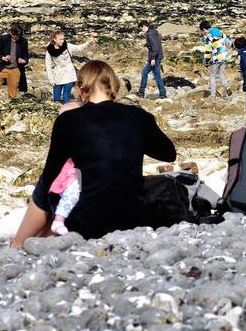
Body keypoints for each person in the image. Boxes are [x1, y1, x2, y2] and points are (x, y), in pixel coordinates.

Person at [10, 60, 176, 246]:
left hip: (85, 225)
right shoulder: (139, 116)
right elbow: (169, 154)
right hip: (134, 222)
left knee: (48, 183)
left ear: (81, 88)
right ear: (115, 86)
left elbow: (51, 174)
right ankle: (45, 239)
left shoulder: (69, 120)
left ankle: (18, 244)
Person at [43, 29, 93, 104]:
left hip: (69, 75)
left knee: (66, 97)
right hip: (57, 76)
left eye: (63, 39)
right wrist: (51, 79)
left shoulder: (67, 46)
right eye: (60, 39)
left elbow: (79, 48)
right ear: (54, 39)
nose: (62, 41)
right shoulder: (49, 50)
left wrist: (88, 43)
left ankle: (67, 112)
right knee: (56, 98)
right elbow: (48, 65)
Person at [0, 23, 29, 100]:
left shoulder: (23, 42)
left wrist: (23, 61)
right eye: (14, 36)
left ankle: (10, 106)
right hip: (3, 68)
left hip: (15, 69)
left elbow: (26, 57)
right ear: (11, 33)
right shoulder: (4, 39)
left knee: (12, 92)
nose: (16, 38)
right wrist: (3, 58)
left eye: (18, 36)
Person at [199, 21, 232, 97]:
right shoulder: (220, 33)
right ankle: (227, 87)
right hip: (223, 57)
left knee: (212, 76)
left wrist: (206, 62)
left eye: (202, 31)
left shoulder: (208, 37)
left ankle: (213, 95)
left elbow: (207, 51)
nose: (202, 33)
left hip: (215, 59)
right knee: (222, 73)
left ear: (204, 29)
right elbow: (229, 42)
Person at [137, 20, 166, 99]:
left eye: (141, 29)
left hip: (155, 58)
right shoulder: (152, 32)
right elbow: (154, 44)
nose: (141, 31)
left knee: (156, 76)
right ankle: (141, 92)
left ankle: (163, 94)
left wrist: (153, 59)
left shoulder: (150, 34)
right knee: (145, 72)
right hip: (155, 57)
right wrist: (147, 44)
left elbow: (155, 48)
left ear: (144, 26)